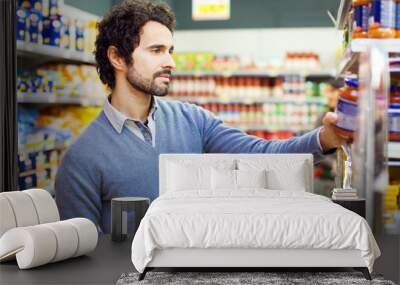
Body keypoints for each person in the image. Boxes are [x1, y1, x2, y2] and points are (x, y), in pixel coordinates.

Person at [55, 0, 346, 233]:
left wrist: (324, 138)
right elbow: (82, 249)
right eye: (156, 50)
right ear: (117, 57)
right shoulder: (81, 158)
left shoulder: (192, 119)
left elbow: (262, 153)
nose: (171, 62)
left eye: (170, 50)